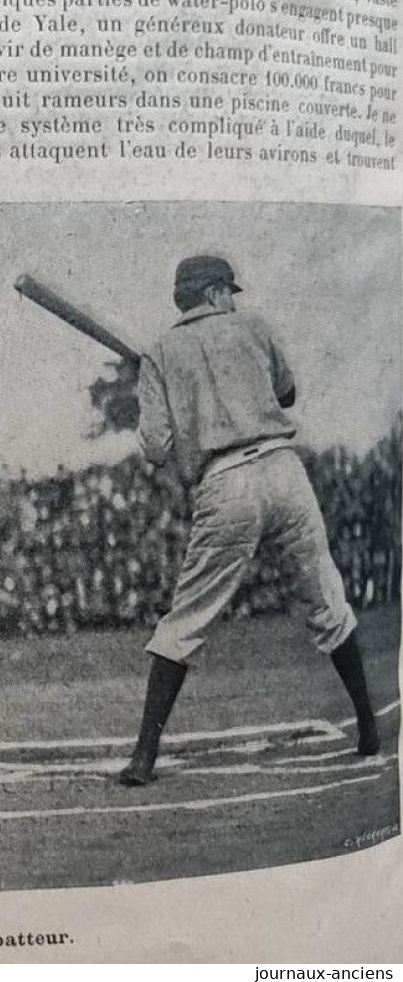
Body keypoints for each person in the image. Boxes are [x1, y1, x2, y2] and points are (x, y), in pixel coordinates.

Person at [117, 255, 380, 786]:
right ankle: (369, 729)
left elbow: (156, 449)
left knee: (186, 619)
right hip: (284, 471)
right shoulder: (255, 326)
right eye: (228, 292)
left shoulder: (161, 352)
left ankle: (144, 757)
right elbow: (286, 393)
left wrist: (155, 387)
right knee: (327, 599)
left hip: (225, 484)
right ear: (214, 293)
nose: (233, 299)